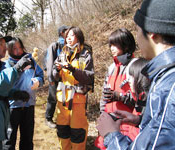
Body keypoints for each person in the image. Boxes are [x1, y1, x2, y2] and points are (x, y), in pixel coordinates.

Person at [96, 0, 175, 149]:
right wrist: (139, 120)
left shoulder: (169, 87)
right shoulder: (163, 76)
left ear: (152, 32)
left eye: (137, 30)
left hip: (123, 135)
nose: (137, 38)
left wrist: (111, 135)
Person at [95, 28, 137, 150]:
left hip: (127, 125)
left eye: (115, 44)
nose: (111, 48)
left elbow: (140, 100)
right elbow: (104, 94)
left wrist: (119, 96)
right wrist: (103, 115)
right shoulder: (111, 68)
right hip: (109, 122)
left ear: (126, 45)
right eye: (110, 45)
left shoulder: (135, 66)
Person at [53, 26, 94, 150]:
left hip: (77, 100)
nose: (68, 38)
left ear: (79, 37)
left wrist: (72, 69)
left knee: (78, 133)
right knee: (62, 130)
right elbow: (55, 77)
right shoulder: (62, 53)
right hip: (63, 100)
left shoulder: (85, 54)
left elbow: (89, 77)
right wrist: (56, 70)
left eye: (72, 35)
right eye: (67, 36)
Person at [3, 37, 44, 150]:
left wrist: (38, 81)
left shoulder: (31, 60)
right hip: (12, 107)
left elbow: (40, 75)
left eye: (20, 47)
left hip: (29, 105)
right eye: (14, 48)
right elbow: (4, 86)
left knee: (27, 139)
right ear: (9, 50)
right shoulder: (7, 64)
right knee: (9, 140)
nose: (18, 51)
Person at [45, 25, 69, 128]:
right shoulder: (54, 46)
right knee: (53, 98)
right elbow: (49, 63)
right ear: (61, 33)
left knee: (64, 99)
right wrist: (50, 78)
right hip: (55, 77)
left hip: (65, 78)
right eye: (66, 32)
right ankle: (48, 118)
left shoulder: (69, 46)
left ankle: (63, 119)